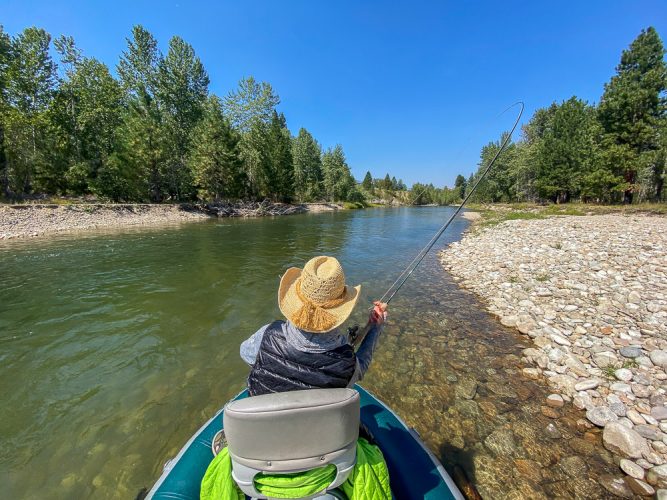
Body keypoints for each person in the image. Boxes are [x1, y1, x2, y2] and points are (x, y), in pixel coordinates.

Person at [240, 255, 387, 396]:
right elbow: (360, 368)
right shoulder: (347, 364)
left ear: (298, 298)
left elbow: (245, 353)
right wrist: (375, 326)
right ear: (341, 306)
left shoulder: (269, 334)